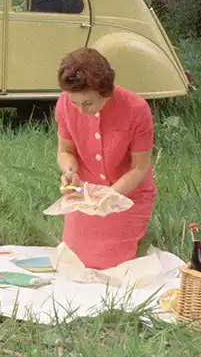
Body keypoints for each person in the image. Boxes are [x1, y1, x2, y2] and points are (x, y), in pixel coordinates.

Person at [55, 48, 156, 270]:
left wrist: (109, 195)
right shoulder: (64, 103)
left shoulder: (137, 109)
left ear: (105, 92)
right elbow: (65, 151)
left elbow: (139, 169)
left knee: (111, 265)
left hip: (128, 194)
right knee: (74, 261)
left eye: (88, 103)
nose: (81, 110)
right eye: (75, 103)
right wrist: (70, 173)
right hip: (86, 192)